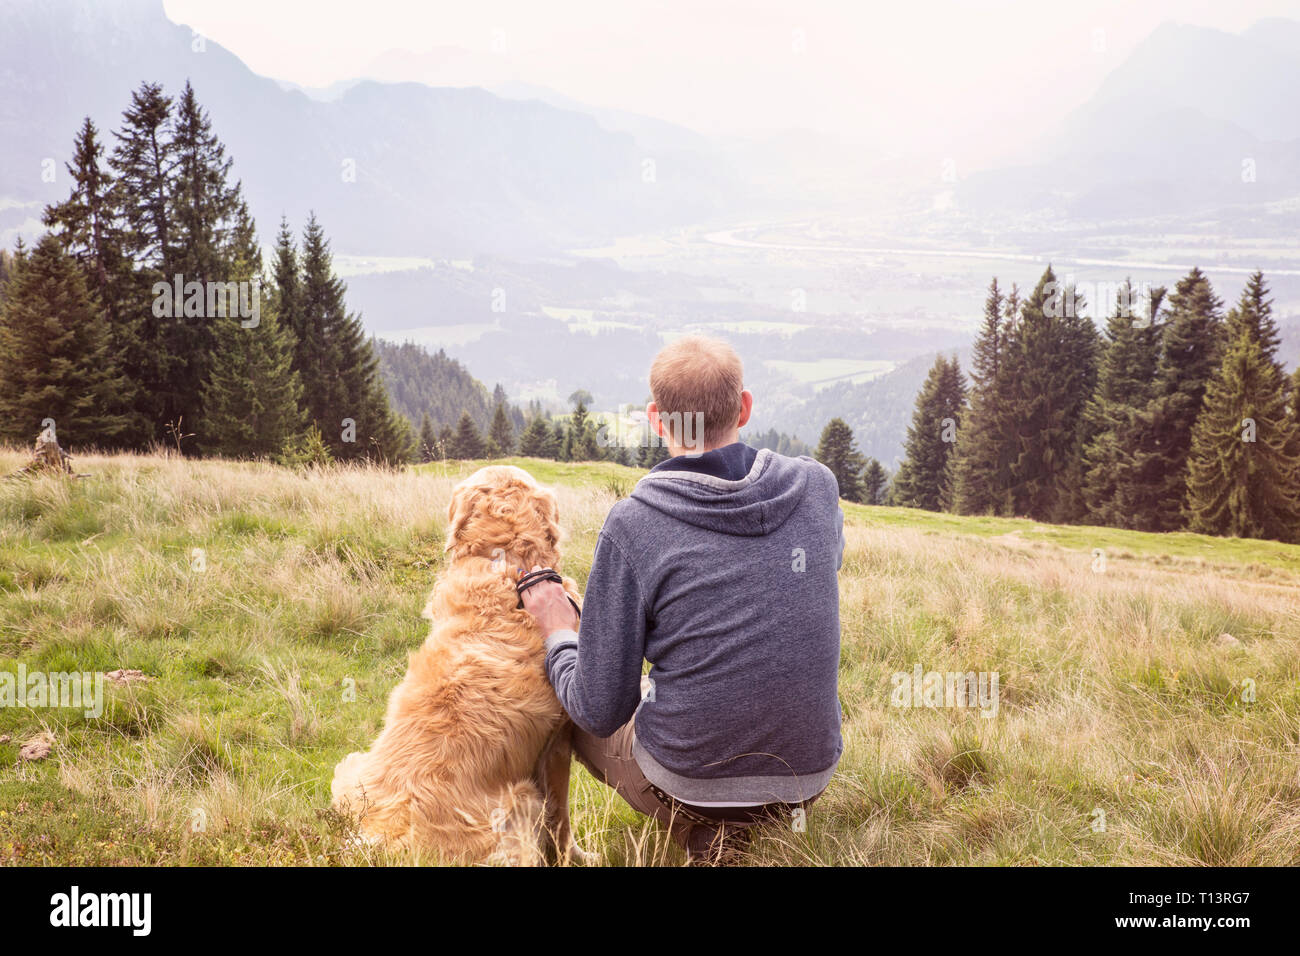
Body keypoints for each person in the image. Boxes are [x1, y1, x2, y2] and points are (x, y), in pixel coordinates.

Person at [521, 335, 844, 862]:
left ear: (656, 418)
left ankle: (701, 828)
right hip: (808, 777)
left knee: (570, 704)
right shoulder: (817, 485)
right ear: (744, 407)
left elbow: (600, 710)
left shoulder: (635, 524)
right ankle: (745, 821)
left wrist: (558, 628)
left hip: (687, 784)